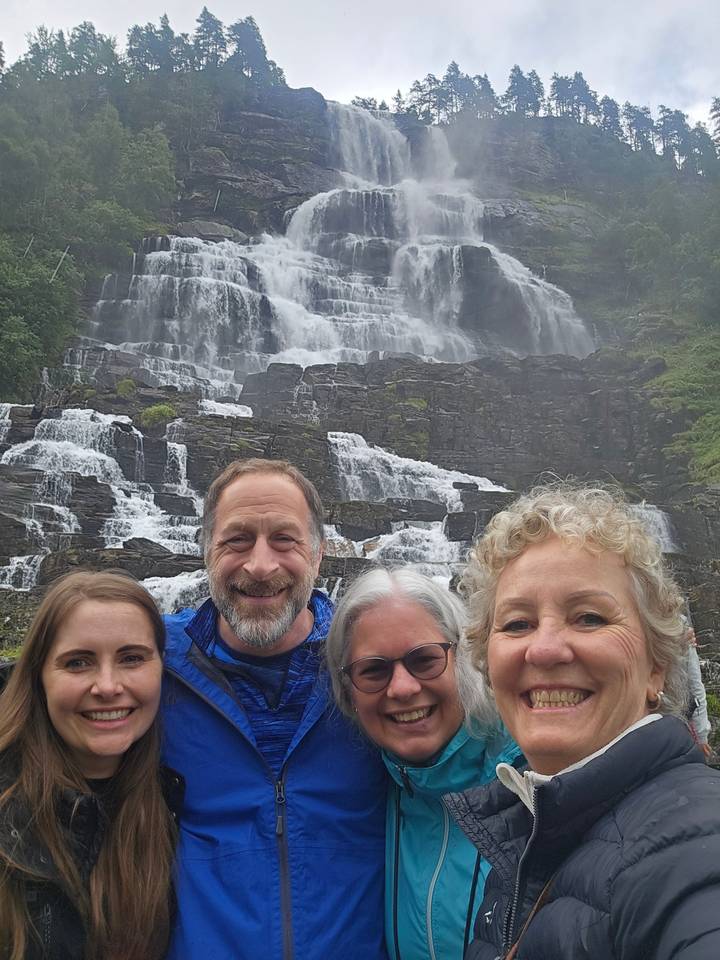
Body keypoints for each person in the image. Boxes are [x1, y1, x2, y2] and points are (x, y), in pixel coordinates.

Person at [445, 484, 720, 960]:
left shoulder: (699, 846)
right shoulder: (529, 831)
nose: (546, 648)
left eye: (589, 618)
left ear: (657, 664)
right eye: (516, 623)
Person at [161, 458, 388, 960]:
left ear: (320, 555)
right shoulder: (146, 667)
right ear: (205, 551)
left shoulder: (380, 671)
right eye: (236, 540)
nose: (260, 566)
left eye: (284, 540)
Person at [326, 567, 521, 960]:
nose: (402, 688)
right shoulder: (366, 792)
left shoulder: (536, 783)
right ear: (347, 692)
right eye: (373, 670)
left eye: (425, 660)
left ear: (462, 658)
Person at [0, 571, 182, 960]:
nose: (107, 686)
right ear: (38, 677)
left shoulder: (172, 804)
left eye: (132, 658)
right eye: (78, 662)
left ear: (162, 670)